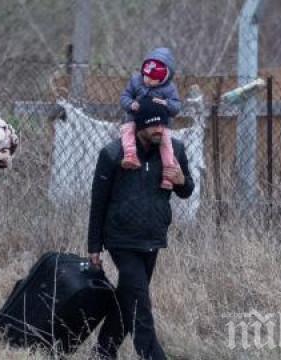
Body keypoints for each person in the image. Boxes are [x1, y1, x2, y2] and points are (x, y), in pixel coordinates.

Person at [87, 99, 194, 360]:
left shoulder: (174, 150)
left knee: (129, 298)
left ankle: (103, 351)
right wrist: (94, 247)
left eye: (164, 123)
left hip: (153, 237)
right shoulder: (113, 154)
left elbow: (186, 190)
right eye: (154, 124)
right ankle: (153, 355)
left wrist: (181, 181)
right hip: (121, 240)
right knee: (141, 304)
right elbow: (98, 202)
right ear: (140, 125)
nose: (161, 129)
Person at [120, 47, 182, 189]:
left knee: (166, 143)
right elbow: (124, 97)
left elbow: (176, 107)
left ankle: (168, 175)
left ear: (163, 78)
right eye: (146, 76)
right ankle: (130, 155)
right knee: (127, 130)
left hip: (159, 122)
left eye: (153, 79)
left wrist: (166, 104)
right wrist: (130, 104)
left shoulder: (169, 88)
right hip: (136, 117)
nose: (147, 80)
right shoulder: (136, 81)